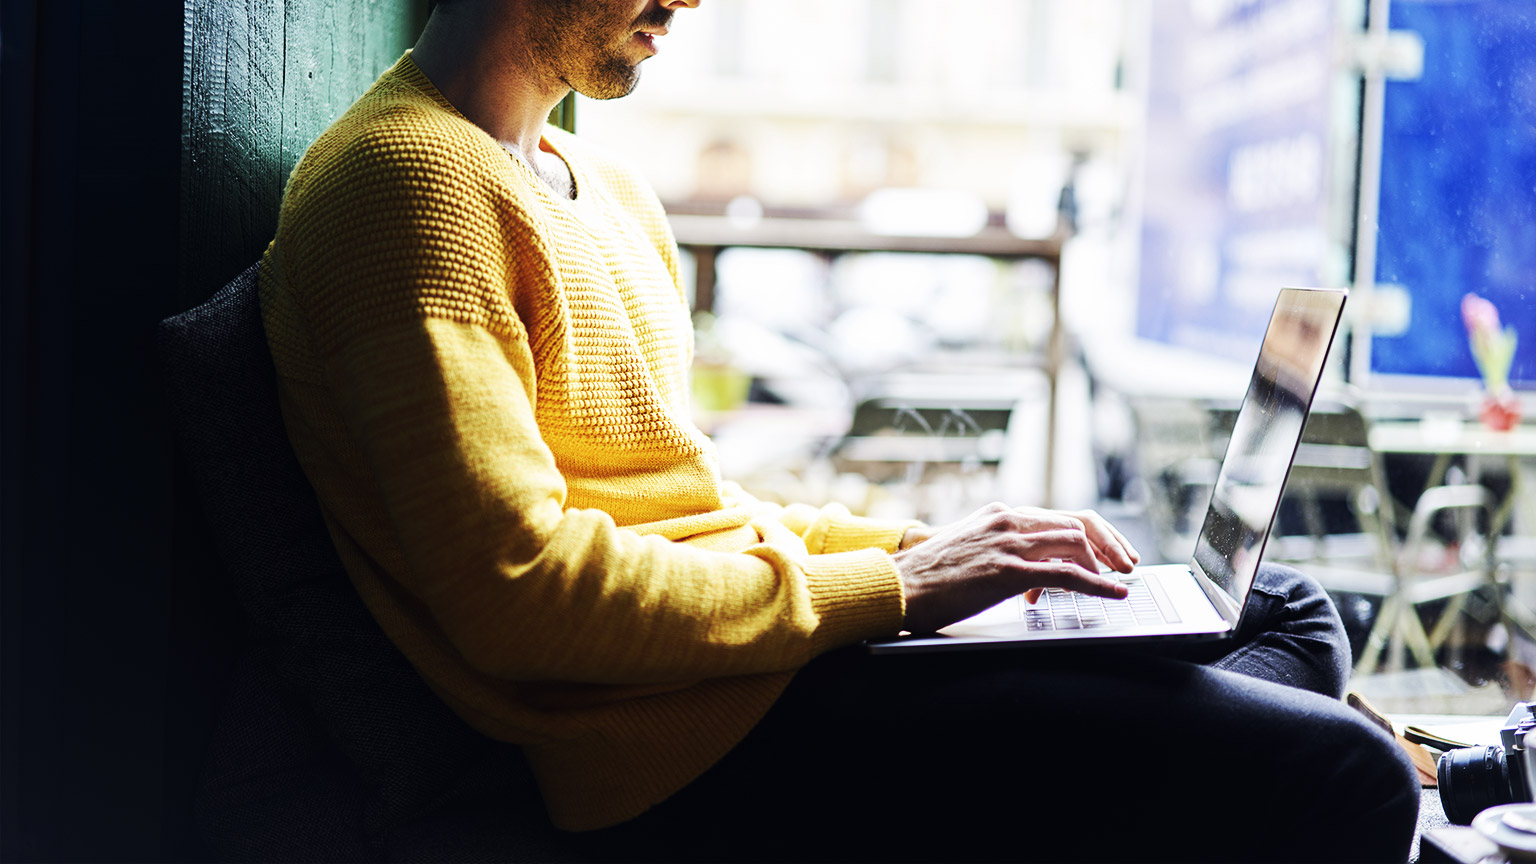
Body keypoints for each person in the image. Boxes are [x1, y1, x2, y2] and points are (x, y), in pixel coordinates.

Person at [257, 0, 1420, 859]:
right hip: (683, 744)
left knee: (1284, 620)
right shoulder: (405, 184)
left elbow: (696, 507)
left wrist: (940, 548)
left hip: (771, 660)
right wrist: (904, 594)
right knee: (1352, 771)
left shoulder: (602, 189)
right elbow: (523, 595)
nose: (690, 4)